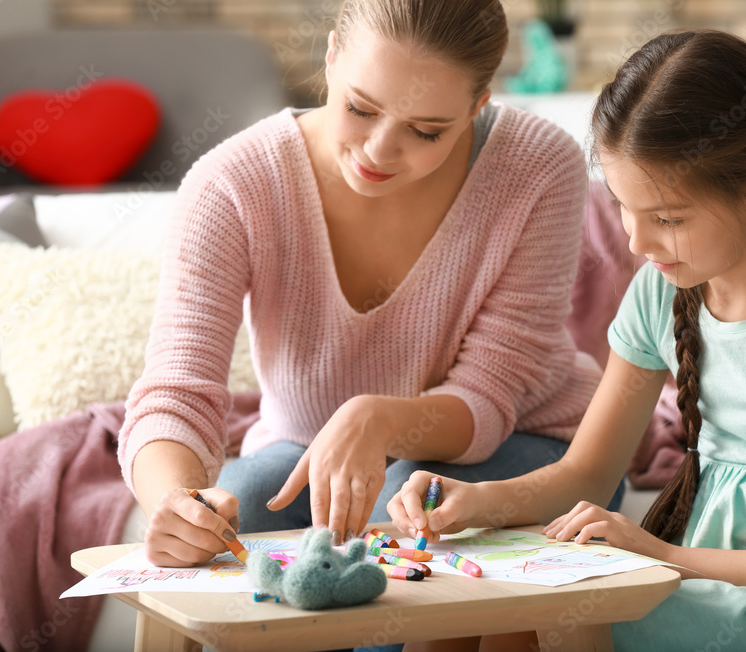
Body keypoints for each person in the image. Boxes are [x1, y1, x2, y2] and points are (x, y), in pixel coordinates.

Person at [389, 29, 746, 652]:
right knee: (450, 621)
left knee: (533, 630)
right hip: (696, 574)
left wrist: (661, 556)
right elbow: (586, 473)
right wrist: (475, 500)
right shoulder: (661, 290)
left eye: (668, 217)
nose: (636, 243)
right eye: (622, 206)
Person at [117, 0, 614, 574]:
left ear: (478, 106)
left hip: (524, 441)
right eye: (359, 107)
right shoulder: (231, 185)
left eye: (426, 130)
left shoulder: (538, 164)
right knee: (249, 502)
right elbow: (177, 391)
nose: (379, 150)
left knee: (405, 498)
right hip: (306, 445)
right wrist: (176, 504)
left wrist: (377, 419)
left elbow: (492, 392)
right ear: (331, 58)